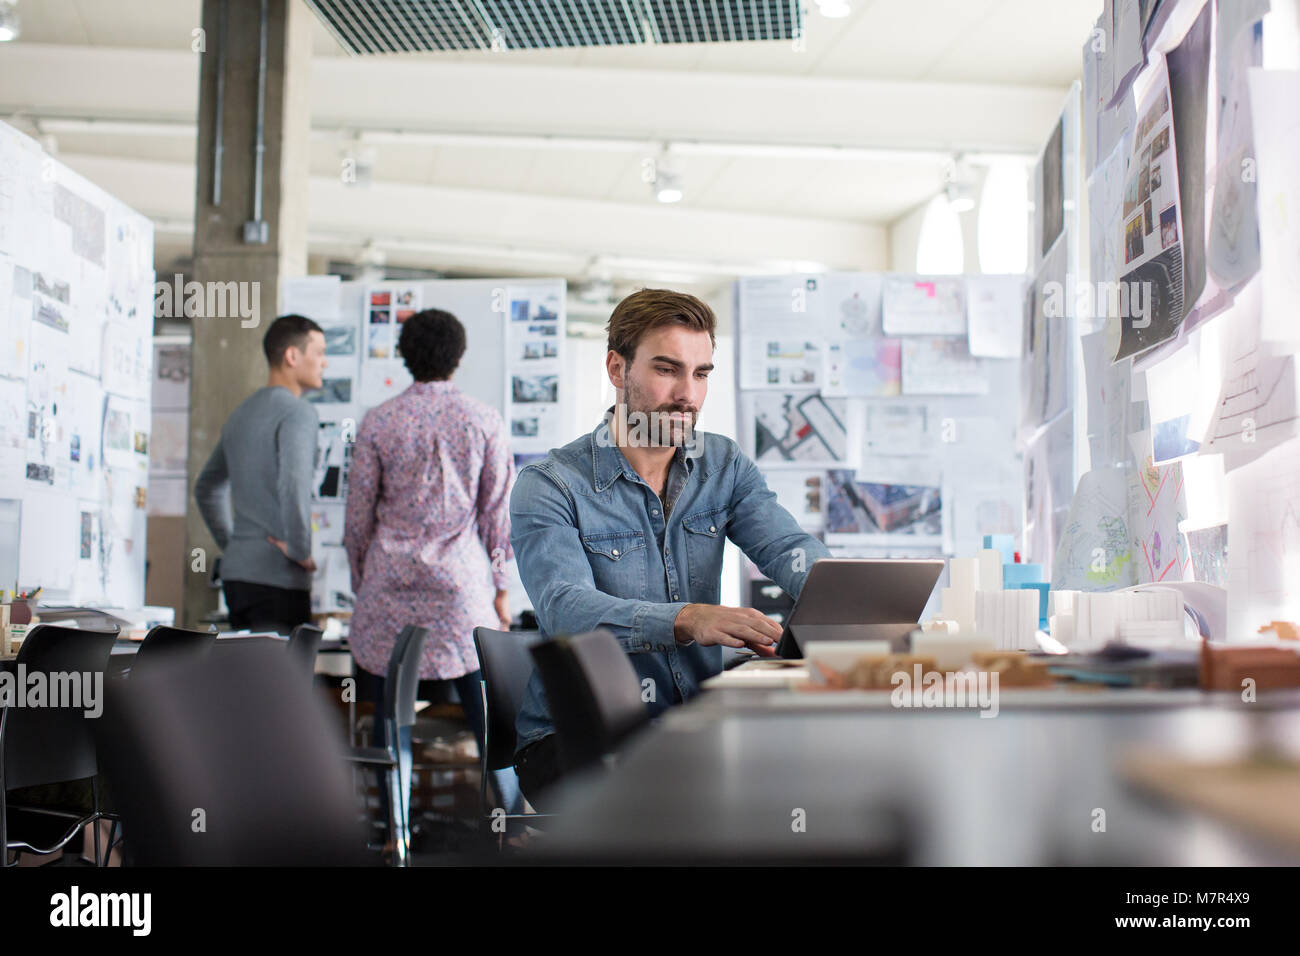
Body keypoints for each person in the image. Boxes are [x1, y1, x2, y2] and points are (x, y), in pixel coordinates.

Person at [509, 289, 831, 810]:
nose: (688, 393)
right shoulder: (549, 485)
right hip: (576, 740)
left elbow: (786, 546)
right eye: (667, 369)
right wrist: (685, 619)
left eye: (701, 373)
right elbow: (565, 609)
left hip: (693, 723)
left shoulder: (722, 464)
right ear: (617, 369)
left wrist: (844, 594)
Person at [343, 308, 517, 810]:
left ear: (404, 356)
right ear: (458, 358)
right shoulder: (484, 420)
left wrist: (363, 581)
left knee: (390, 712)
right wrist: (502, 590)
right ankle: (511, 822)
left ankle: (395, 834)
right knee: (486, 711)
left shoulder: (378, 421)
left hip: (388, 594)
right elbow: (496, 517)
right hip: (459, 596)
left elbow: (357, 521)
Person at [195, 313, 324, 634]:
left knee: (248, 683)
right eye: (319, 353)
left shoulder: (241, 413)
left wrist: (236, 544)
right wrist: (300, 551)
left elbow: (206, 488)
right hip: (278, 579)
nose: (325, 363)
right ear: (292, 356)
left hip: (239, 578)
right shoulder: (298, 412)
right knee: (280, 685)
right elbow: (293, 484)